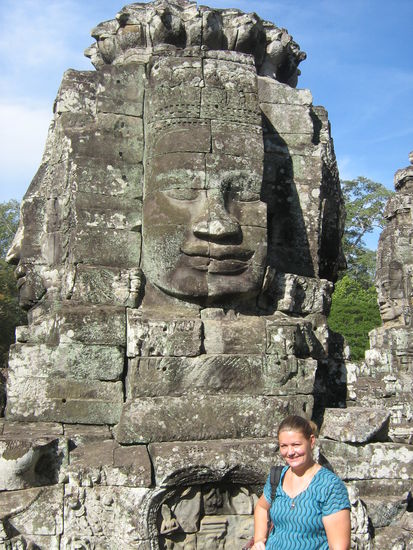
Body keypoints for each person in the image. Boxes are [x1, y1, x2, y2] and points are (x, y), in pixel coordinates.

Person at [252, 415, 351, 550]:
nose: (290, 452)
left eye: (296, 445)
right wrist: (259, 540)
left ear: (311, 441)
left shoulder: (330, 486)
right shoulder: (277, 477)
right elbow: (262, 507)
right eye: (284, 446)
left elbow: (339, 547)